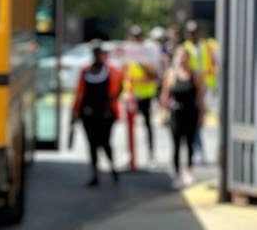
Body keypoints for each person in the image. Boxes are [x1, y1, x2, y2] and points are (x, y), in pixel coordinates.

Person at [72, 41, 124, 186]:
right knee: (92, 144)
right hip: (88, 114)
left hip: (106, 114)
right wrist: (75, 112)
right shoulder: (86, 71)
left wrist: (110, 104)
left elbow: (120, 86)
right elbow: (79, 93)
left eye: (99, 52)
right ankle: (95, 174)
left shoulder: (111, 70)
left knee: (105, 142)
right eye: (94, 52)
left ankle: (113, 169)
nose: (96, 56)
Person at [159, 46, 205, 190]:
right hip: (176, 112)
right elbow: (165, 96)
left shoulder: (195, 75)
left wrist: (202, 114)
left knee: (190, 143)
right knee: (176, 144)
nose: (182, 59)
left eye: (185, 56)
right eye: (179, 56)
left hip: (191, 111)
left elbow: (200, 96)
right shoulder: (171, 75)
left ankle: (189, 170)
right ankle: (177, 173)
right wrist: (163, 113)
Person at [182, 19, 218, 164]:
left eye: (195, 32)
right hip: (192, 88)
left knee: (204, 119)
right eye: (190, 32)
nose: (193, 35)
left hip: (209, 87)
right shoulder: (184, 48)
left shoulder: (208, 46)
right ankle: (198, 150)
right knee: (195, 119)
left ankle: (206, 150)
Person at [123, 24, 159, 166]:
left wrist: (142, 62)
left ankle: (151, 154)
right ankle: (130, 155)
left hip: (145, 94)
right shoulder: (126, 53)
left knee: (147, 125)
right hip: (131, 95)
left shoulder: (148, 53)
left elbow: (154, 75)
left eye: (138, 37)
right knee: (129, 127)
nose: (136, 40)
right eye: (133, 37)